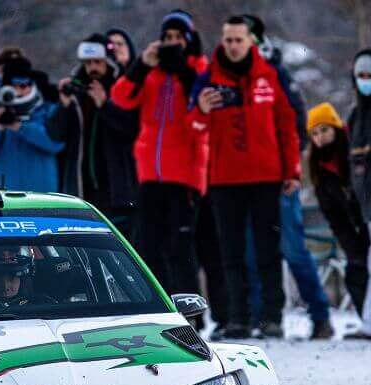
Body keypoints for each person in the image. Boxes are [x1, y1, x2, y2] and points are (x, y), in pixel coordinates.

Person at [189, 16, 301, 339]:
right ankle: (237, 318)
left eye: (239, 40)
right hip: (224, 181)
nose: (233, 46)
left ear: (251, 42)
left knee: (268, 250)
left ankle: (271, 317)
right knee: (230, 253)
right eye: (229, 40)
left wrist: (292, 169)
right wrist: (202, 112)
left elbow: (286, 126)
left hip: (267, 177)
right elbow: (192, 129)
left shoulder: (270, 75)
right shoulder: (208, 78)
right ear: (222, 41)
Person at [242, 15, 331, 339]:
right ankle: (261, 316)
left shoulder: (274, 71)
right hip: (247, 181)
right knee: (252, 251)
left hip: (280, 179)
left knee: (292, 247)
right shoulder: (231, 71)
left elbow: (297, 123)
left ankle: (319, 315)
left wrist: (289, 169)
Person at [111, 10, 208, 297]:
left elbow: (202, 106)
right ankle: (159, 305)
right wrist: (141, 65)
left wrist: (183, 71)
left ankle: (192, 308)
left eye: (179, 37)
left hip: (184, 173)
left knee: (181, 247)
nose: (173, 43)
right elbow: (121, 98)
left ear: (190, 40)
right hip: (150, 172)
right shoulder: (152, 71)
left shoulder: (200, 68)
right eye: (168, 37)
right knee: (149, 245)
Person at [51, 34, 139, 234]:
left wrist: (104, 105)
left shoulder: (121, 87)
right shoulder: (76, 92)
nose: (93, 68)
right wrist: (63, 105)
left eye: (98, 62)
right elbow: (56, 136)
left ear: (107, 61)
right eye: (88, 62)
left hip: (117, 189)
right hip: (82, 189)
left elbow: (130, 130)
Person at [307, 103, 371, 338]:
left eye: (324, 130)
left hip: (367, 217)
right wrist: (350, 244)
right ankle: (366, 320)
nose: (320, 137)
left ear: (335, 127)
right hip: (352, 229)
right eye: (314, 133)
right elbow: (333, 215)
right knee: (356, 270)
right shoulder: (320, 171)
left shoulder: (355, 149)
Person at [0, 56, 64, 192]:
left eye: (23, 85)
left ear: (33, 85)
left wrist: (20, 127)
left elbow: (57, 143)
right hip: (6, 199)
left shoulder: (48, 111)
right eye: (12, 87)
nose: (18, 92)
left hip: (43, 197)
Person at [349, 49, 371, 221]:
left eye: (369, 75)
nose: (365, 81)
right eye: (360, 76)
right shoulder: (355, 116)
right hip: (365, 210)